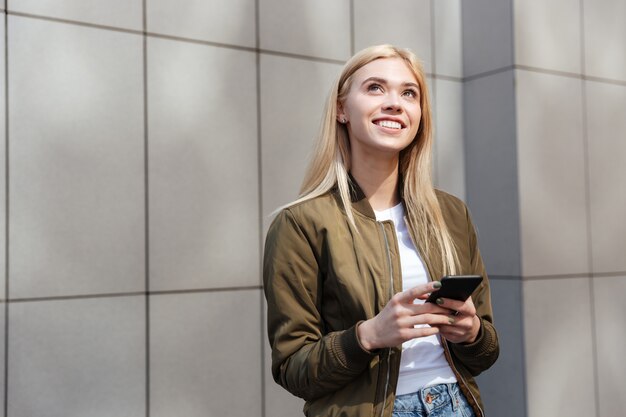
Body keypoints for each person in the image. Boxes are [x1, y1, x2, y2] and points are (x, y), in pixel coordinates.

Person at [263, 44, 499, 417]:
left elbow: (487, 351)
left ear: (420, 114)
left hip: (455, 405)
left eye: (409, 93)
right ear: (342, 109)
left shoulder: (451, 214)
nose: (395, 103)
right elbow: (293, 369)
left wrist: (471, 333)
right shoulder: (300, 224)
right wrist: (367, 336)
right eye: (375, 88)